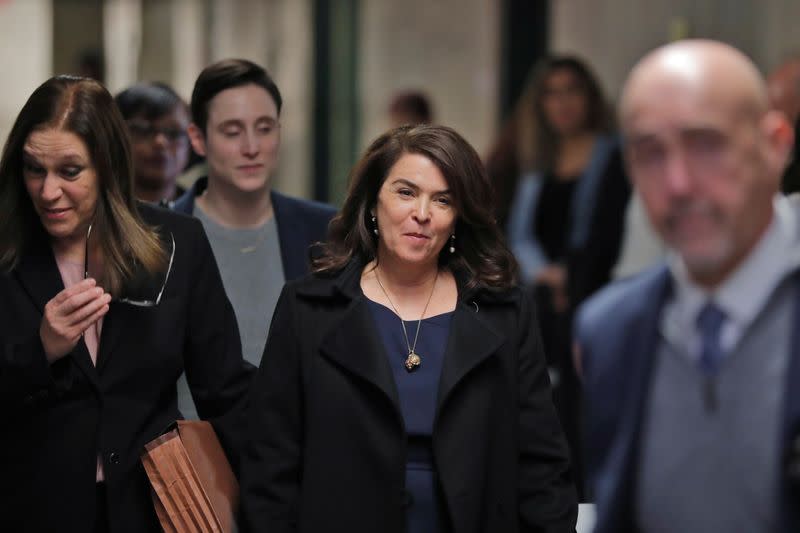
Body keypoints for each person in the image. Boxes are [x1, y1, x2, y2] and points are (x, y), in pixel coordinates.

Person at [239, 124, 578, 532]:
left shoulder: (503, 313)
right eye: (406, 192)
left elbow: (542, 466)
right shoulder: (308, 309)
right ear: (371, 203)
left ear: (458, 218)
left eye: (443, 200)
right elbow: (270, 464)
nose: (422, 213)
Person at [0, 76, 253, 532]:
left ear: (108, 167)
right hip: (32, 508)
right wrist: (41, 351)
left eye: (70, 171)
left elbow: (225, 389)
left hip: (151, 510)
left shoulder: (178, 243)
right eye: (34, 168)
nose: (48, 191)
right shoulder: (7, 250)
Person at [575, 40, 797, 532]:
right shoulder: (611, 331)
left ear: (776, 145)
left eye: (706, 144)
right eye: (650, 155)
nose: (677, 183)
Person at [173, 59, 336, 418]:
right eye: (232, 132)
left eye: (264, 128)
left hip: (300, 452)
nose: (252, 147)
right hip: (187, 459)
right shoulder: (162, 236)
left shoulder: (325, 231)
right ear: (198, 139)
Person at [501, 56, 631, 495]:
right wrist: (547, 275)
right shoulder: (536, 159)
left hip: (596, 294)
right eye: (551, 93)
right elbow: (518, 233)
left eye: (571, 90)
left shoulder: (613, 156)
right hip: (540, 298)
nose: (562, 103)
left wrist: (573, 278)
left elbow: (607, 233)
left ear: (589, 96)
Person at [115, 82, 192, 205]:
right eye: (143, 130)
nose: (160, 142)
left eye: (173, 133)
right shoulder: (94, 212)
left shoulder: (203, 216)